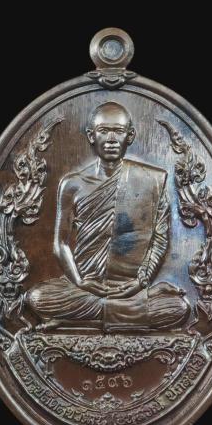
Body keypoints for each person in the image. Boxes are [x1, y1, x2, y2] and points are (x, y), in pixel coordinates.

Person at [27, 102, 190, 332]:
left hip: (131, 288)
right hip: (85, 286)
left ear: (130, 136)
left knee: (178, 308)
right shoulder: (72, 184)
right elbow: (61, 244)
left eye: (119, 131)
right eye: (104, 131)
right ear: (91, 136)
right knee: (37, 297)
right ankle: (124, 315)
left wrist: (142, 282)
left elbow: (160, 239)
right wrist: (80, 281)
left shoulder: (153, 180)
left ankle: (82, 319)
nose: (111, 139)